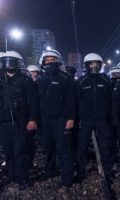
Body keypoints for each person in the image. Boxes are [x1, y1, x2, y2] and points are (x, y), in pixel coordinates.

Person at [36, 49, 75, 194]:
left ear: (58, 61)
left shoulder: (65, 78)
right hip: (45, 121)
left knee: (63, 149)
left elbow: (71, 100)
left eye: (53, 60)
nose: (50, 62)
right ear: (43, 62)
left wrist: (71, 118)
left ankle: (67, 178)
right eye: (47, 60)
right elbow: (36, 101)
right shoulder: (40, 79)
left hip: (61, 120)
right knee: (48, 148)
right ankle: (50, 170)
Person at [0, 51, 38, 190]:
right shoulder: (1, 79)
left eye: (12, 61)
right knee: (8, 151)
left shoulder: (25, 80)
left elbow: (34, 102)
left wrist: (32, 119)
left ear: (18, 63)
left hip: (20, 121)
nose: (9, 64)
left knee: (20, 151)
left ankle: (23, 178)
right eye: (6, 61)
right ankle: (12, 175)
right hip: (3, 122)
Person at [75, 53, 114, 183]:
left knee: (105, 146)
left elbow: (110, 100)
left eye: (96, 63)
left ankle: (108, 171)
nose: (94, 66)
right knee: (82, 146)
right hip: (86, 120)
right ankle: (81, 171)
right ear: (86, 65)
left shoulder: (105, 80)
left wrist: (110, 116)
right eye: (91, 64)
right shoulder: (81, 81)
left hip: (102, 119)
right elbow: (75, 101)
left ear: (100, 65)